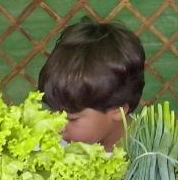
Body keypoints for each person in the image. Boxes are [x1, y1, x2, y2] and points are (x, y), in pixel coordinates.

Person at [38, 19, 146, 152]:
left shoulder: (154, 158)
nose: (57, 126)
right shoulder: (47, 147)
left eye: (72, 119)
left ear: (118, 109)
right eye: (53, 111)